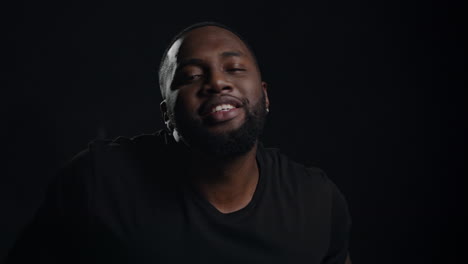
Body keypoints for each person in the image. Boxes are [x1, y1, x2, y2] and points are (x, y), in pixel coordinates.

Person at [6, 22, 352, 264]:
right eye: (190, 76)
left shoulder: (316, 201)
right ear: (167, 114)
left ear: (264, 97)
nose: (217, 82)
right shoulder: (98, 184)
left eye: (234, 68)